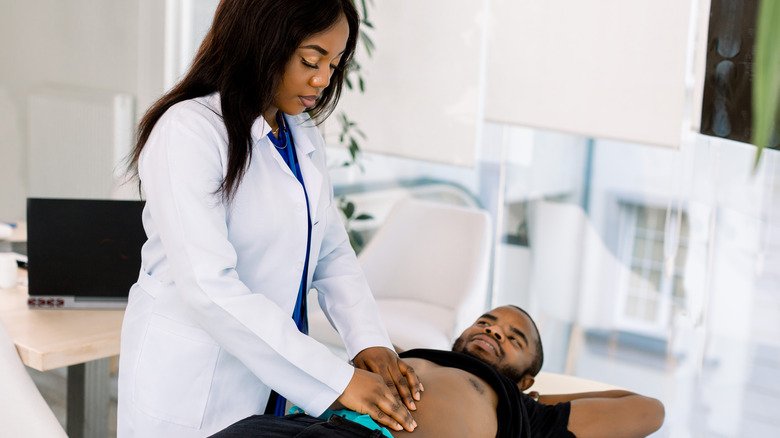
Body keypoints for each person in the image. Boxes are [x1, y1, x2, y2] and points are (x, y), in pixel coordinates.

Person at [117, 1, 422, 437]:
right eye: (311, 61)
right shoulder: (189, 131)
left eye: (334, 65)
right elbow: (208, 285)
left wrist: (369, 339)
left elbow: (330, 251)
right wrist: (336, 380)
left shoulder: (299, 132)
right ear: (259, 42)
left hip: (268, 381)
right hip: (193, 384)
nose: (322, 80)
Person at [212, 305, 665, 438]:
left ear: (525, 378)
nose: (494, 331)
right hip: (299, 424)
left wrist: (543, 399)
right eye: (487, 321)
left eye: (514, 337)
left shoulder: (526, 413)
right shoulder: (406, 354)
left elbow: (649, 410)